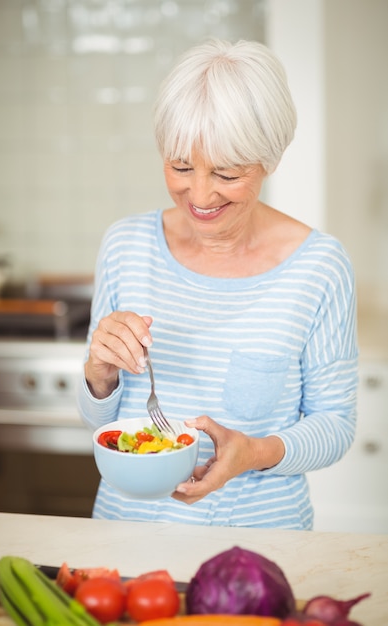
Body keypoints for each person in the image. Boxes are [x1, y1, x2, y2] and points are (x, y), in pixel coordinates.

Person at [77, 38, 358, 529]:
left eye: (226, 174)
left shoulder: (319, 267)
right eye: (181, 166)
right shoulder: (127, 245)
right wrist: (100, 374)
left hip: (262, 547)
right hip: (124, 538)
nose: (200, 194)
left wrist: (253, 452)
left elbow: (335, 425)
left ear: (268, 160)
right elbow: (101, 423)